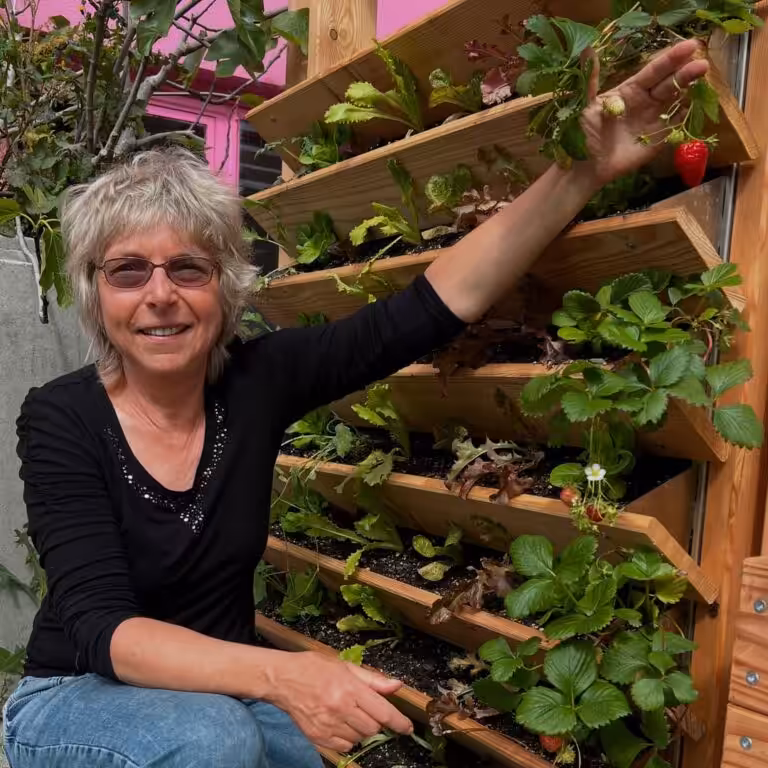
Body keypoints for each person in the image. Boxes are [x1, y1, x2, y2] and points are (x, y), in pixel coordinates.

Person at [1, 40, 708, 768]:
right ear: (95, 293)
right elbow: (100, 627)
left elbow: (431, 307)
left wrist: (580, 169)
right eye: (127, 272)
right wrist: (287, 674)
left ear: (225, 288)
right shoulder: (63, 415)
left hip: (219, 701)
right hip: (78, 697)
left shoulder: (257, 381)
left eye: (188, 267)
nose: (160, 294)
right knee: (216, 742)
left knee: (360, 751)